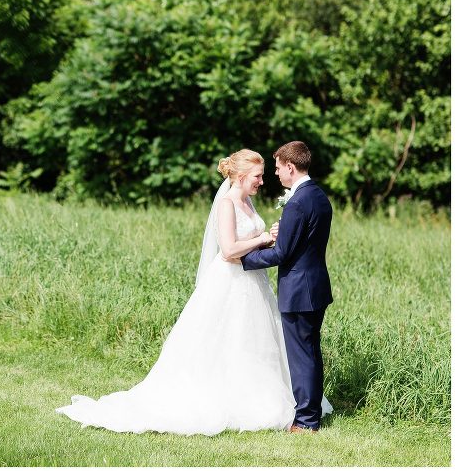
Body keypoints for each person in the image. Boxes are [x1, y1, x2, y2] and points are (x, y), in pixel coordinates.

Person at [56, 149, 331, 436]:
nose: (263, 181)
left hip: (254, 283)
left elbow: (253, 242)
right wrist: (263, 238)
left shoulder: (248, 201)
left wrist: (271, 239)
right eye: (257, 176)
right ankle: (235, 401)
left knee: (256, 343)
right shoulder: (226, 204)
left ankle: (270, 401)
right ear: (240, 176)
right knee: (227, 341)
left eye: (264, 174)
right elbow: (228, 250)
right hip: (231, 281)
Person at [241, 141, 333, 433]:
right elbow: (303, 241)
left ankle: (306, 421)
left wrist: (245, 259)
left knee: (302, 356)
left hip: (299, 290)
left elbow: (281, 254)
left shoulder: (296, 203)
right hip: (316, 286)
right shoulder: (318, 196)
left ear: (291, 167)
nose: (276, 173)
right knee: (311, 352)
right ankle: (311, 413)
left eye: (279, 167)